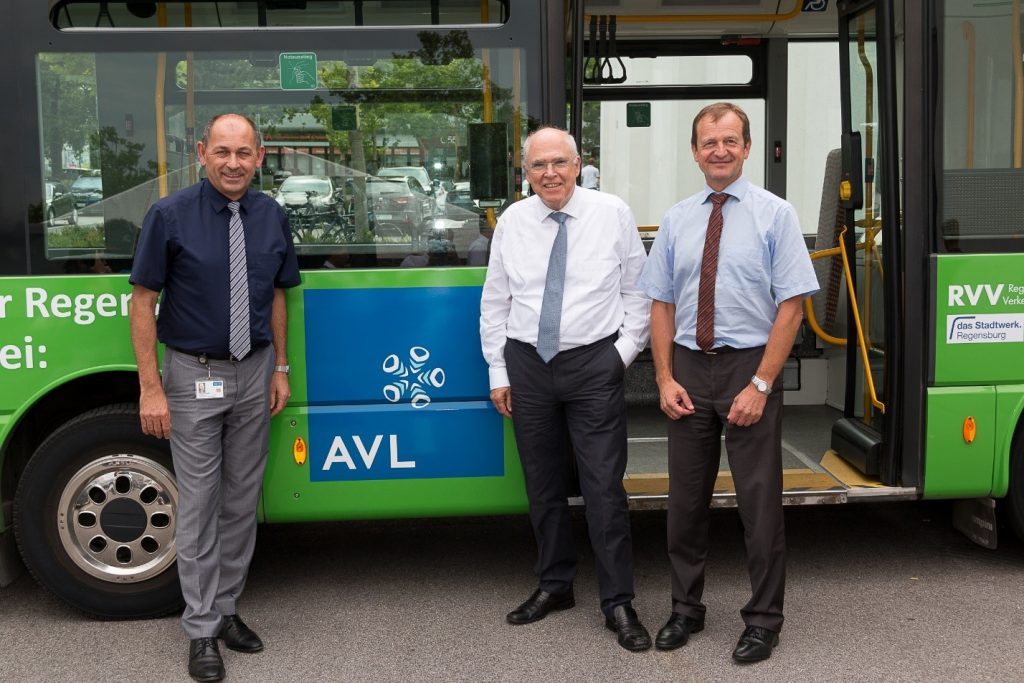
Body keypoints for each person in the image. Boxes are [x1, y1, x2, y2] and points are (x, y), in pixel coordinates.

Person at [639, 102, 819, 663]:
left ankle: (764, 621)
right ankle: (685, 610)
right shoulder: (677, 219)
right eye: (708, 142)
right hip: (690, 370)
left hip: (749, 368)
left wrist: (761, 385)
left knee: (759, 504)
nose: (719, 150)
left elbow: (792, 307)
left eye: (730, 141)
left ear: (746, 148)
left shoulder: (776, 215)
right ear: (695, 151)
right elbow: (661, 304)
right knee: (684, 503)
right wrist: (664, 378)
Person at [129, 113, 300, 683]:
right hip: (192, 374)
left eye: (244, 152)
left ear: (260, 155)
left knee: (239, 501)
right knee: (199, 505)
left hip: (253, 374)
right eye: (222, 151)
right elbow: (142, 301)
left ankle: (225, 610)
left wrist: (279, 366)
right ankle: (201, 629)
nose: (233, 163)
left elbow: (278, 294)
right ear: (202, 152)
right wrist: (151, 386)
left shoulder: (272, 215)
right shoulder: (168, 215)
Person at [479, 126, 652, 652]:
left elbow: (638, 294)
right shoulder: (513, 220)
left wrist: (617, 359)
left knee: (604, 489)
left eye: (559, 162)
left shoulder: (612, 214)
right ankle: (555, 585)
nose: (549, 173)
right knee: (543, 485)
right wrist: (499, 372)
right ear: (525, 172)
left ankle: (618, 601)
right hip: (528, 365)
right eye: (538, 166)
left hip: (592, 363)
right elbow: (496, 301)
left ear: (579, 164)